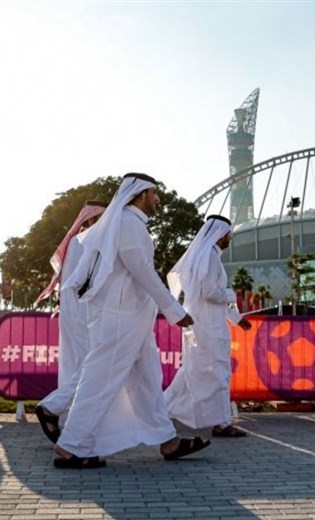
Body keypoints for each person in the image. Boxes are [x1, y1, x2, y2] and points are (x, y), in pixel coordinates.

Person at [53, 172, 211, 469]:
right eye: (154, 193)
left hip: (133, 318)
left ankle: (167, 440)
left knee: (147, 379)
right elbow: (143, 273)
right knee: (99, 378)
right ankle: (72, 445)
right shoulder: (128, 224)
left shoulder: (128, 225)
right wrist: (174, 311)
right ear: (140, 194)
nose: (158, 199)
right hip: (120, 318)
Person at [164, 215, 252, 438]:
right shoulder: (210, 257)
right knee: (218, 373)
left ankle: (159, 411)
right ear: (219, 234)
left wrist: (235, 317)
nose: (229, 239)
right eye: (228, 235)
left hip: (197, 326)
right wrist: (232, 295)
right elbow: (209, 293)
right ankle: (221, 424)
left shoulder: (200, 256)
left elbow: (204, 298)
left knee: (191, 371)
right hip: (208, 329)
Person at [33, 200, 107, 443]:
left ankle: (71, 422)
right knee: (93, 366)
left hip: (73, 313)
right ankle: (53, 409)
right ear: (90, 219)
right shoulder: (90, 241)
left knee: (76, 366)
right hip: (87, 314)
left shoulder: (77, 241)